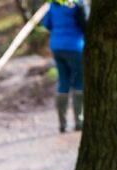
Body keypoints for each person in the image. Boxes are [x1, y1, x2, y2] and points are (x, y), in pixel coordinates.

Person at [42, 0, 87, 132]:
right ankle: (79, 122)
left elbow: (46, 24)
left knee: (63, 82)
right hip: (75, 47)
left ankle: (62, 123)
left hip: (57, 46)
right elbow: (85, 24)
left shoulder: (54, 4)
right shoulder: (78, 3)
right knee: (79, 83)